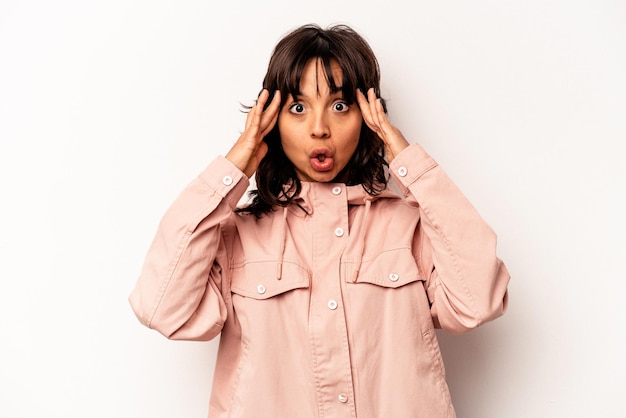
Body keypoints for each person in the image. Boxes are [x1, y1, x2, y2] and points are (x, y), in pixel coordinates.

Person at [129, 23, 510, 418]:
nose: (319, 128)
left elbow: (478, 301)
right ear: (273, 121)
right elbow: (162, 308)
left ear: (367, 117)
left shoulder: (409, 227)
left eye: (340, 106)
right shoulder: (235, 234)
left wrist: (407, 160)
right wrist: (234, 166)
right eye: (297, 108)